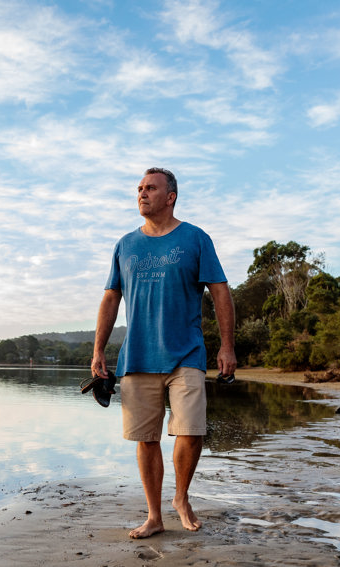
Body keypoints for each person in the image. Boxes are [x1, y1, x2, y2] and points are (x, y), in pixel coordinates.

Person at [91, 167, 236, 539]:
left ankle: (181, 497)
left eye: (150, 188)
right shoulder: (125, 245)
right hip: (137, 356)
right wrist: (98, 351)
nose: (142, 193)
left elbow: (220, 291)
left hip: (186, 353)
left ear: (170, 196)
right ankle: (154, 516)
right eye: (139, 188)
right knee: (146, 439)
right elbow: (111, 297)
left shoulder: (195, 239)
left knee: (191, 430)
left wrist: (227, 345)